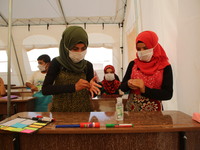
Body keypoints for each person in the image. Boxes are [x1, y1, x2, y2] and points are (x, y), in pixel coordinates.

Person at [42, 26, 101, 112]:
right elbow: (46, 89)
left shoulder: (87, 65)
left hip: (83, 111)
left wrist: (93, 89)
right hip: (61, 111)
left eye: (83, 49)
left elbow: (92, 94)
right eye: (75, 49)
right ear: (65, 47)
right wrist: (73, 87)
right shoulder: (57, 63)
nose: (79, 52)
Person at [120, 31, 173, 112]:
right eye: (138, 49)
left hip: (154, 113)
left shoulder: (164, 67)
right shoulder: (133, 64)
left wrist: (145, 89)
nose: (142, 52)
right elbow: (122, 87)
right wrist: (128, 84)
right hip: (133, 111)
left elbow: (168, 94)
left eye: (145, 48)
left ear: (154, 47)